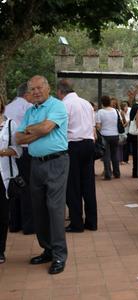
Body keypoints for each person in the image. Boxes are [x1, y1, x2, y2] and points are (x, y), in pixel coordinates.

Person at [16, 75, 69, 274]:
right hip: (36, 164)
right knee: (38, 208)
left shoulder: (57, 106)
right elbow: (18, 136)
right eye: (32, 89)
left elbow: (47, 128)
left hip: (56, 162)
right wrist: (36, 130)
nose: (36, 92)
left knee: (54, 209)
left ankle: (59, 255)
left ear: (47, 88)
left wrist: (32, 130)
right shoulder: (30, 111)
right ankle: (47, 249)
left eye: (39, 88)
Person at [56, 79, 97, 233]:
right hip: (88, 144)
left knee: (72, 186)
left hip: (73, 145)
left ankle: (76, 223)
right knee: (88, 185)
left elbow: (60, 128)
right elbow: (92, 126)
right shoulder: (86, 103)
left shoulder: (63, 105)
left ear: (60, 92)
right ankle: (92, 222)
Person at [4, 82, 34, 234]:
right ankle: (28, 225)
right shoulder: (28, 107)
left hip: (9, 152)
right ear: (26, 94)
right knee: (27, 187)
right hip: (25, 150)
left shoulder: (8, 107)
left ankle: (14, 223)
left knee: (13, 185)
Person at [0, 101, 22, 264]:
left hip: (4, 175)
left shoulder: (10, 125)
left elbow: (18, 150)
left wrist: (2, 152)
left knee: (2, 215)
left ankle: (0, 250)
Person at [96, 95, 120, 180]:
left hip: (105, 135)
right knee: (115, 154)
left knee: (106, 156)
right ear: (109, 102)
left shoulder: (100, 112)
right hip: (115, 135)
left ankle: (108, 174)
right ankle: (117, 173)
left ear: (102, 103)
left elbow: (98, 126)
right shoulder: (116, 111)